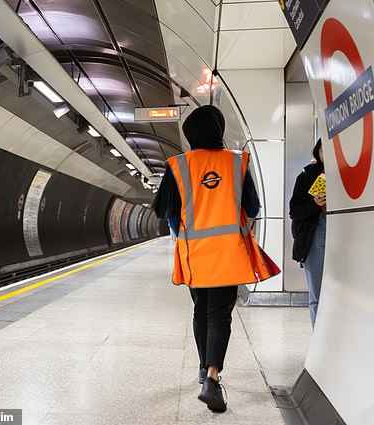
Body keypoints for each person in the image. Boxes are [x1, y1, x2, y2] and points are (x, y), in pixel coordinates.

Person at [152, 105, 279, 413]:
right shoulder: (237, 163)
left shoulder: (179, 166)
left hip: (194, 254)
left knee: (201, 310)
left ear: (190, 135)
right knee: (220, 314)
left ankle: (202, 366)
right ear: (219, 131)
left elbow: (163, 209)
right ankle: (212, 377)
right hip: (228, 253)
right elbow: (253, 206)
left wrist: (180, 231)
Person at [289, 139, 326, 329]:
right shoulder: (307, 175)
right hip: (317, 232)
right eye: (323, 149)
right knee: (317, 293)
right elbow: (294, 210)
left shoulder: (345, 173)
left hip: (345, 232)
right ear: (317, 152)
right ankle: (318, 337)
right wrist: (314, 204)